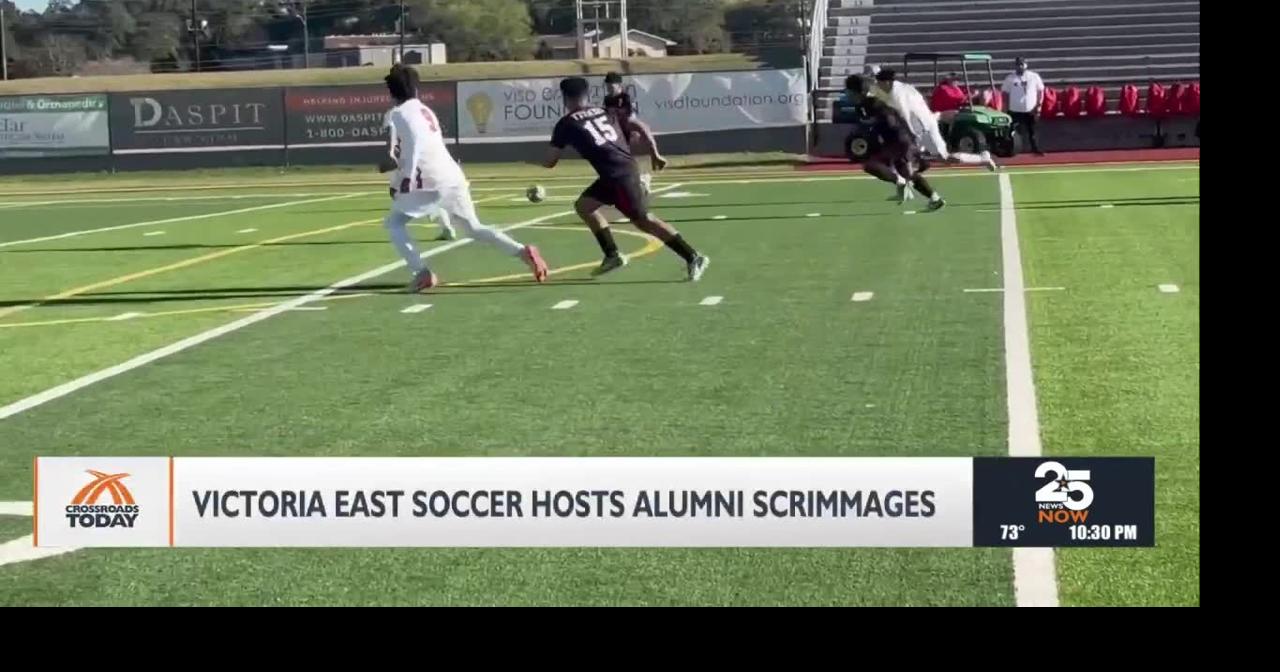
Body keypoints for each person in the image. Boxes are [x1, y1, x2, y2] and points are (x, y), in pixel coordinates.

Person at [382, 66, 548, 292]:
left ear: (391, 92)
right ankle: (522, 251)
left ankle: (421, 272)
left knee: (394, 223)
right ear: (416, 87)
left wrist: (403, 180)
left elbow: (413, 147)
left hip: (431, 181)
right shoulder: (425, 110)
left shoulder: (400, 114)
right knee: (473, 228)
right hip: (452, 176)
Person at [544, 77, 709, 281]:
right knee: (584, 206)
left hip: (618, 177)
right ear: (587, 95)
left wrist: (528, 161)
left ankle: (693, 256)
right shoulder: (604, 111)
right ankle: (612, 255)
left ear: (564, 97)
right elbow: (635, 126)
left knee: (645, 221)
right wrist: (652, 152)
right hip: (617, 173)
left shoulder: (566, 123)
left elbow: (550, 161)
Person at [380, 65, 457, 242]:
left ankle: (418, 263)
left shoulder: (394, 114)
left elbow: (392, 141)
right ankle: (446, 227)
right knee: (425, 198)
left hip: (406, 164)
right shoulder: (422, 110)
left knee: (404, 204)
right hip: (427, 163)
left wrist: (390, 158)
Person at [851, 75, 946, 211]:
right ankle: (935, 199)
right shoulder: (872, 101)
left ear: (857, 91)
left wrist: (873, 125)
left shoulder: (870, 103)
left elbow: (888, 120)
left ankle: (900, 182)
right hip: (900, 139)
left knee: (871, 165)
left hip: (898, 140)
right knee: (907, 172)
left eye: (850, 91)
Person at [874, 68, 998, 171]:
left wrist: (912, 134)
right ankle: (905, 186)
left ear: (887, 82)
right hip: (923, 123)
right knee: (903, 155)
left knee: (945, 158)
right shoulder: (901, 87)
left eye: (879, 83)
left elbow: (905, 115)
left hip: (924, 127)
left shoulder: (897, 94)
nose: (878, 86)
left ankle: (983, 158)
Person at [602, 72, 667, 193]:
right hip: (617, 131)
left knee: (628, 158)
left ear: (618, 85)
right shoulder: (607, 99)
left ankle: (642, 178)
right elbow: (608, 115)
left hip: (628, 129)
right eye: (607, 85)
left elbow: (627, 114)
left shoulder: (625, 97)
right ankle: (640, 179)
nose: (609, 87)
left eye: (612, 85)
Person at [1001, 57, 1045, 155]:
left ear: (1026, 65)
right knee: (1010, 131)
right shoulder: (1010, 78)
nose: (1020, 66)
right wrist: (1005, 107)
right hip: (1014, 110)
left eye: (1022, 64)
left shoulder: (1034, 76)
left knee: (1032, 131)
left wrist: (1039, 105)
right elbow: (1005, 93)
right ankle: (1009, 149)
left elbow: (1040, 91)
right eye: (1018, 64)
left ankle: (1035, 149)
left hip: (1030, 109)